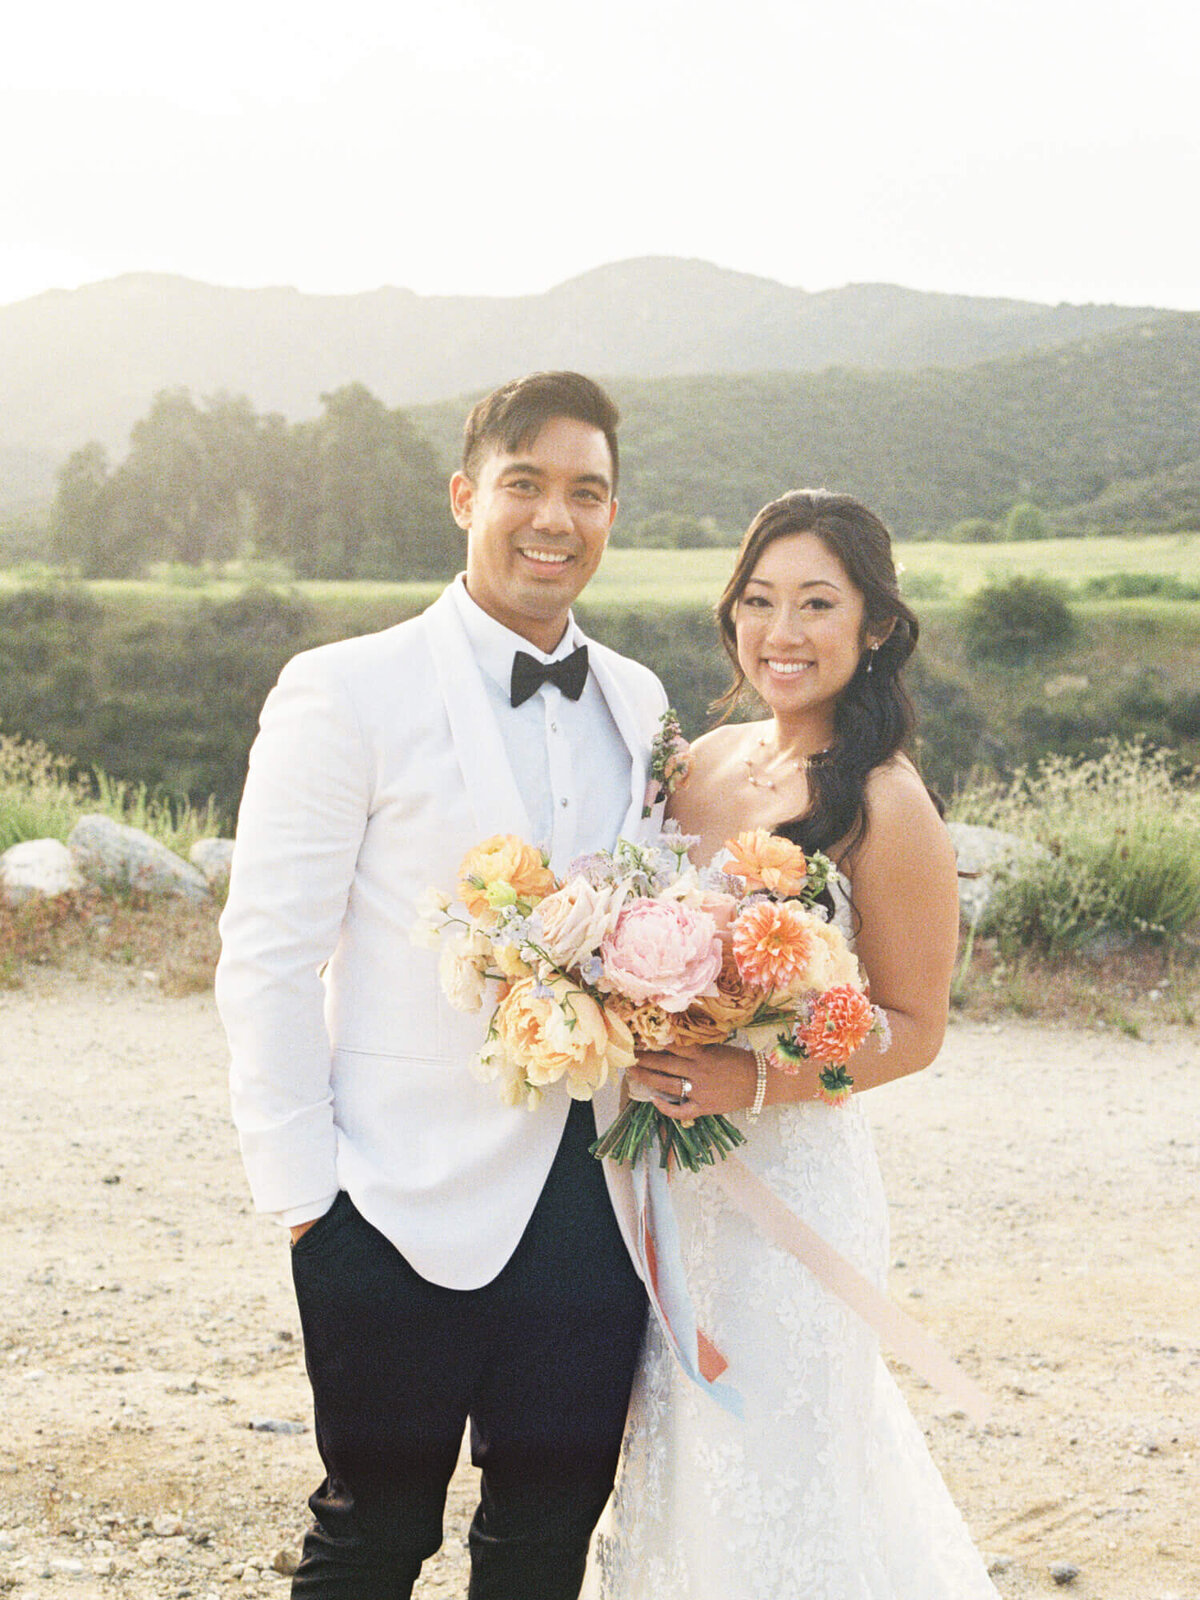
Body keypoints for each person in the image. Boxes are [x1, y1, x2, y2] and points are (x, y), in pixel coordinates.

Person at [215, 372, 669, 1600]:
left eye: (588, 492)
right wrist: (309, 1200)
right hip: (388, 1205)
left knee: (542, 1547)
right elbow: (266, 952)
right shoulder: (343, 687)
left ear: (612, 514)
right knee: (371, 1543)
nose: (554, 519)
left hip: (592, 1214)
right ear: (467, 494)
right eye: (525, 484)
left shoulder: (640, 701)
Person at [584, 491, 1000, 1597]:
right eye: (760, 600)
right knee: (682, 1474)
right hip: (666, 1181)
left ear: (874, 628)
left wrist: (750, 1075)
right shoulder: (700, 762)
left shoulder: (886, 801)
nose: (783, 630)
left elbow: (915, 1030)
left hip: (793, 1192)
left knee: (787, 1470)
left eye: (818, 602)